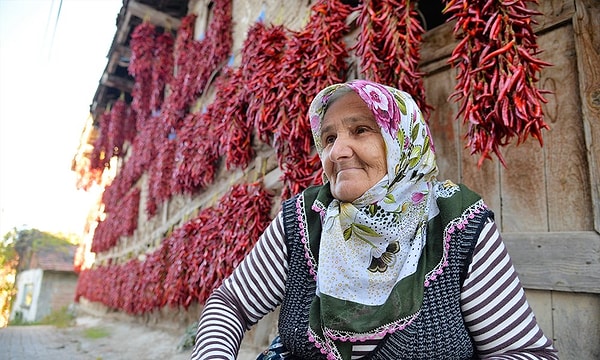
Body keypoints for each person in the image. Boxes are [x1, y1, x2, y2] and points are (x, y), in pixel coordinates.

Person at [190, 80, 558, 359]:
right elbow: (230, 303)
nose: (338, 151)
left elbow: (524, 351)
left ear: (402, 140)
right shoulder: (304, 219)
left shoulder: (456, 224)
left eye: (361, 130)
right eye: (329, 137)